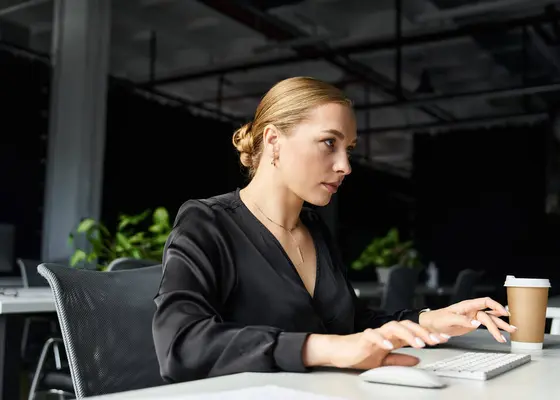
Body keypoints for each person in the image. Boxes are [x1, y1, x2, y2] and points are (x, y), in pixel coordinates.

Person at [152, 76, 516, 383]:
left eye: (349, 149)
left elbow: (354, 323)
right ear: (274, 141)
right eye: (330, 142)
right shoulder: (208, 222)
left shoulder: (314, 229)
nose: (345, 166)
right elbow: (180, 344)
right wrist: (326, 348)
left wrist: (428, 321)